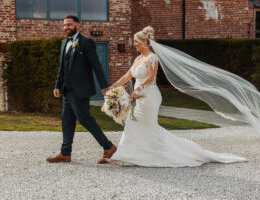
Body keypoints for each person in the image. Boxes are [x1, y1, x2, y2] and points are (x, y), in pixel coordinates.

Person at [105, 26, 247, 167]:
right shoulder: (137, 59)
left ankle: (163, 153)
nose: (134, 44)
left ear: (144, 42)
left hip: (149, 97)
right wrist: (114, 86)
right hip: (138, 98)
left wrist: (138, 90)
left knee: (148, 126)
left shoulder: (152, 58)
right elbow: (128, 75)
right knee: (132, 123)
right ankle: (126, 154)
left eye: (136, 41)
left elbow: (150, 78)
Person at [46, 15, 116, 164]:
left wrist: (104, 86)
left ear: (78, 25)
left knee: (84, 119)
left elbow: (96, 65)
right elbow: (62, 67)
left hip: (80, 89)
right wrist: (57, 85)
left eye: (69, 25)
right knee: (67, 121)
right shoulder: (64, 43)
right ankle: (65, 153)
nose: (66, 27)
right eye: (65, 25)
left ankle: (108, 146)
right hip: (67, 90)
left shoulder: (86, 43)